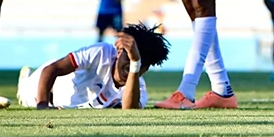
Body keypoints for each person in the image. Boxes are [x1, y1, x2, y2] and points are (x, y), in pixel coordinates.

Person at [17, 23, 170, 109]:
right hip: (45, 88)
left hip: (62, 104)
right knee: (26, 98)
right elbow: (52, 70)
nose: (130, 64)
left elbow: (129, 111)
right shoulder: (101, 52)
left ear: (145, 69)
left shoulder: (138, 89)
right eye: (128, 55)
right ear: (118, 51)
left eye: (136, 62)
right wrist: (42, 104)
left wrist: (135, 61)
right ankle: (25, 78)